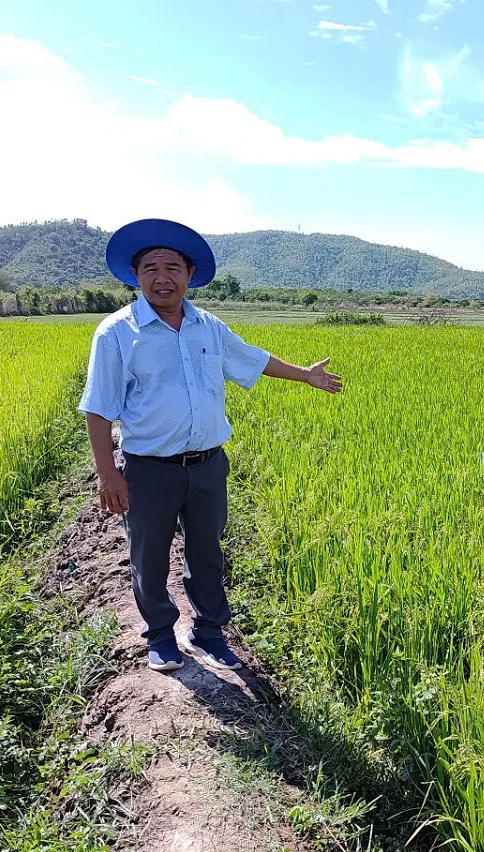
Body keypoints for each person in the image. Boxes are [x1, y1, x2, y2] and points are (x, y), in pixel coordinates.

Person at [79, 218, 343, 672]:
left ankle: (209, 633)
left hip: (207, 465)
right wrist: (109, 473)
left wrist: (304, 374)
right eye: (151, 268)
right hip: (149, 467)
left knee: (207, 550)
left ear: (188, 273)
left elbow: (251, 359)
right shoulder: (117, 333)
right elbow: (99, 407)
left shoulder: (207, 326)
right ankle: (160, 636)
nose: (162, 277)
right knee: (149, 552)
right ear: (135, 276)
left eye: (172, 267)